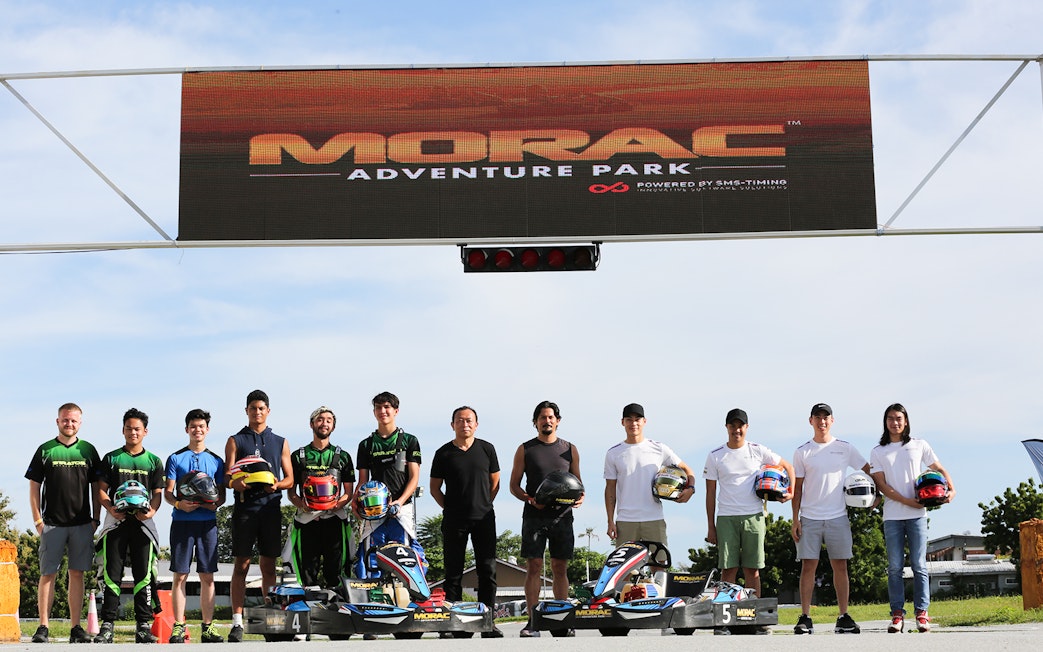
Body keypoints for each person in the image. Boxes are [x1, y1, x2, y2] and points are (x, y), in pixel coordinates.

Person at [870, 403, 954, 634]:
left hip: (918, 515)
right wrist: (907, 501)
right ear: (885, 422)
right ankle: (897, 615)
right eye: (890, 419)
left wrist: (952, 489)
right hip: (893, 516)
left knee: (919, 566)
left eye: (899, 418)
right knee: (895, 567)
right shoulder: (878, 450)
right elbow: (882, 485)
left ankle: (922, 614)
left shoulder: (918, 445)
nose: (894, 422)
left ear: (906, 421)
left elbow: (938, 467)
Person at [25, 403, 102, 644]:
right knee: (48, 574)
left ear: (80, 423)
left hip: (81, 524)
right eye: (65, 420)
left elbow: (97, 488)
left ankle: (76, 628)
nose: (69, 424)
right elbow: (34, 486)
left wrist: (95, 519)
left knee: (76, 574)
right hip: (52, 524)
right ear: (57, 421)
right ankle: (43, 627)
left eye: (74, 421)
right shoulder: (45, 450)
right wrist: (37, 520)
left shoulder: (88, 451)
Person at [790, 403, 870, 635]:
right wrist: (795, 519)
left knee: (841, 566)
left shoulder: (844, 448)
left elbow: (867, 469)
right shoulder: (802, 451)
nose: (822, 421)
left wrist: (875, 495)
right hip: (810, 517)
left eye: (826, 417)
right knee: (808, 567)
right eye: (818, 417)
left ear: (832, 421)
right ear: (811, 421)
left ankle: (843, 616)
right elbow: (798, 489)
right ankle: (805, 617)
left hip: (838, 516)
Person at [703, 408, 794, 605]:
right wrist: (711, 526)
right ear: (726, 427)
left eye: (740, 426)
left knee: (753, 569)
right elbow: (710, 493)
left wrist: (791, 492)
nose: (736, 430)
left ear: (747, 427)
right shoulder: (715, 455)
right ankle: (725, 613)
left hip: (754, 515)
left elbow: (788, 467)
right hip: (726, 517)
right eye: (732, 426)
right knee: (728, 569)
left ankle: (754, 615)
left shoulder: (758, 450)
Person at [224, 389, 293, 643]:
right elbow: (227, 477)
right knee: (241, 565)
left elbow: (290, 478)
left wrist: (277, 485)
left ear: (268, 411)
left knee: (268, 567)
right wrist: (236, 484)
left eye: (261, 408)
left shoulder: (281, 441)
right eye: (252, 408)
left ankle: (271, 618)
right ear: (247, 411)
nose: (257, 412)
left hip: (271, 509)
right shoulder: (235, 440)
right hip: (245, 510)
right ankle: (237, 623)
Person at [509, 400, 583, 638]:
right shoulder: (525, 449)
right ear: (535, 422)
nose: (547, 421)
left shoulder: (569, 449)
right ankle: (533, 621)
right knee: (534, 567)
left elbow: (579, 484)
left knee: (560, 567)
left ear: (557, 421)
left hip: (562, 516)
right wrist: (530, 500)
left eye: (551, 417)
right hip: (534, 515)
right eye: (542, 417)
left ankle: (561, 619)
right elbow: (513, 485)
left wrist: (580, 498)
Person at [430, 406, 504, 638]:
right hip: (454, 521)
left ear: (476, 424)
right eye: (460, 421)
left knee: (487, 570)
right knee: (453, 572)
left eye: (469, 420)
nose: (465, 424)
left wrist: (481, 504)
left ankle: (487, 622)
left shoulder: (487, 449)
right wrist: (451, 509)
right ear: (453, 425)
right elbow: (434, 489)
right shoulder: (443, 453)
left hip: (484, 519)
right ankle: (455, 623)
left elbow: (495, 483)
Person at [95, 408, 166, 644]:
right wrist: (110, 508)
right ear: (123, 430)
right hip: (117, 522)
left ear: (145, 432)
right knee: (111, 575)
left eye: (137, 429)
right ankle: (107, 627)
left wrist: (153, 512)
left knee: (143, 576)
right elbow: (101, 490)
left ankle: (143, 627)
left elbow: (157, 493)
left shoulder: (154, 461)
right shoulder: (112, 458)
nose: (132, 432)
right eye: (128, 428)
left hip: (143, 524)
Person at [163, 409, 226, 644]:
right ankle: (179, 626)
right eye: (193, 426)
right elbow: (168, 493)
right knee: (180, 576)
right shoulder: (175, 458)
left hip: (207, 524)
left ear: (207, 429)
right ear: (187, 429)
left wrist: (214, 506)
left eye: (201, 426)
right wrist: (179, 503)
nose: (197, 430)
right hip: (182, 523)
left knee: (207, 576)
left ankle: (208, 628)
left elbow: (222, 497)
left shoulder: (216, 461)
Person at [605, 403, 695, 554]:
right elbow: (610, 489)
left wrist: (690, 489)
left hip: (654, 518)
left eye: (637, 419)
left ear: (644, 421)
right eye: (629, 419)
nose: (633, 423)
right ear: (622, 422)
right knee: (624, 571)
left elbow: (687, 470)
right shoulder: (613, 453)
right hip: (625, 520)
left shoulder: (659, 448)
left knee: (659, 567)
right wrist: (610, 521)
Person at [353, 391, 426, 578]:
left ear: (396, 411)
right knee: (371, 557)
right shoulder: (366, 444)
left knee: (404, 557)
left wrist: (399, 502)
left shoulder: (409, 441)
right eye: (378, 407)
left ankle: (405, 597)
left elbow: (414, 478)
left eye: (387, 407)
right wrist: (355, 502)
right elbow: (362, 481)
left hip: (401, 510)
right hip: (374, 511)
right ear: (374, 412)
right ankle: (371, 600)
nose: (382, 411)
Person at [286, 406, 355, 589]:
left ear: (333, 426)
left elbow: (349, 491)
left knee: (337, 570)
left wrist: (336, 505)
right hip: (308, 521)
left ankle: (338, 607)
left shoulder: (344, 457)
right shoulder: (298, 456)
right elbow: (291, 491)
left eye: (328, 420)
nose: (324, 423)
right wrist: (300, 503)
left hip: (335, 520)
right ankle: (308, 609)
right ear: (312, 424)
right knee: (307, 570)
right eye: (320, 419)